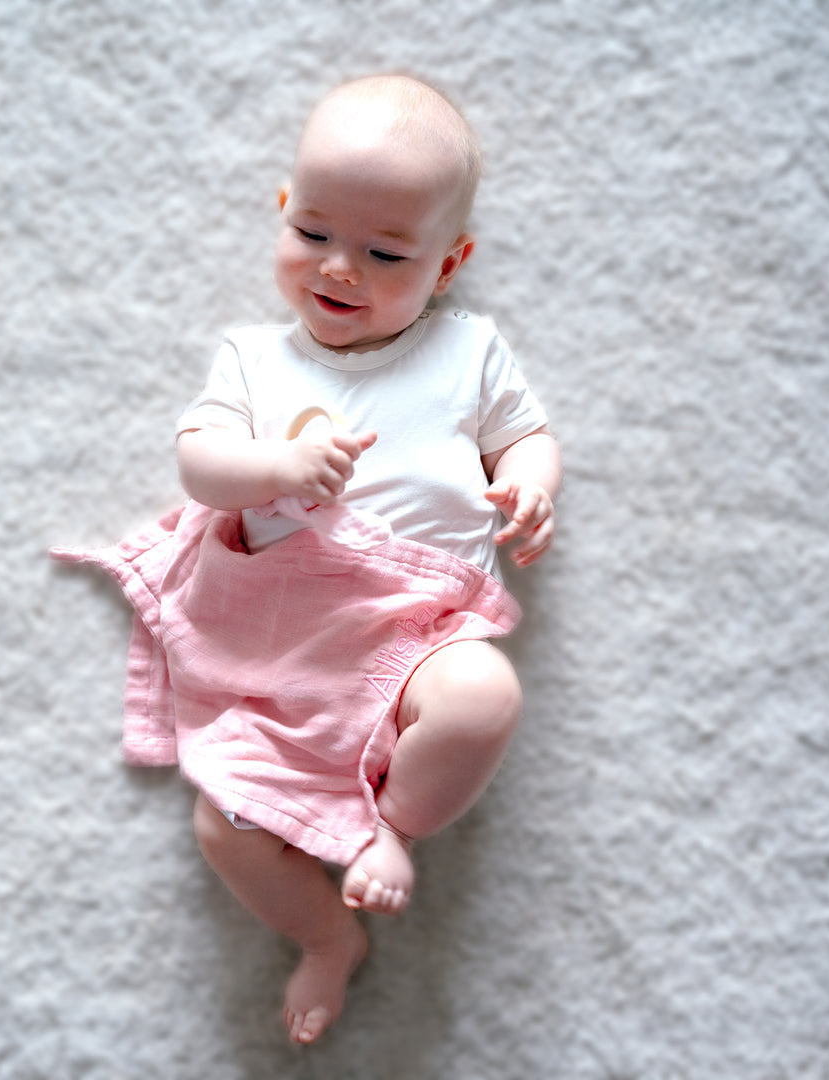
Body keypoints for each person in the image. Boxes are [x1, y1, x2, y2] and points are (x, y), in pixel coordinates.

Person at [172, 74, 563, 1045]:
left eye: (386, 253)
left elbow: (529, 434)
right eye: (312, 233)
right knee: (224, 825)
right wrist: (274, 464)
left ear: (449, 261)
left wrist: (529, 480)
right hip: (289, 661)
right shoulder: (257, 362)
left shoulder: (466, 352)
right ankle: (323, 939)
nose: (340, 269)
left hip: (420, 639)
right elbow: (200, 465)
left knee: (484, 697)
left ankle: (391, 825)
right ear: (284, 210)